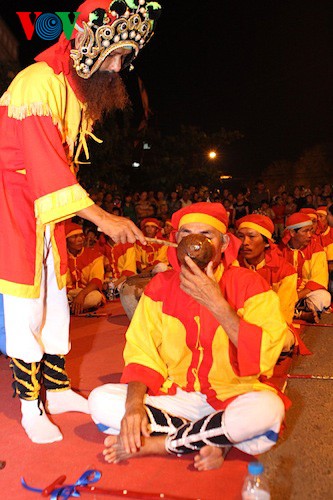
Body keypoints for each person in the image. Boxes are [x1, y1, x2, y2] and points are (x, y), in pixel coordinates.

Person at [0, 0, 161, 443]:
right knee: (25, 306)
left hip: (47, 207)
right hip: (15, 203)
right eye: (112, 56)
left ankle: (56, 387)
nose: (117, 68)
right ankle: (31, 405)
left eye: (124, 59)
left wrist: (99, 216)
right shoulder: (36, 82)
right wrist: (104, 220)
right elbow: (47, 169)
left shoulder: (73, 91)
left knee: (55, 299)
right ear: (86, 47)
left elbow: (58, 175)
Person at [88, 203, 289, 471]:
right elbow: (141, 351)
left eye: (206, 234)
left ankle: (160, 444)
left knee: (268, 410)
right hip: (177, 396)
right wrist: (134, 407)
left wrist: (217, 303)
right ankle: (217, 436)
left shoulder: (250, 285)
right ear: (175, 242)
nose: (196, 242)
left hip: (234, 394)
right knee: (101, 401)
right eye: (186, 234)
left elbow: (264, 356)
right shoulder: (160, 286)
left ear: (224, 243)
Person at [236, 214, 309, 352]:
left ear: (267, 242)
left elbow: (282, 316)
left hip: (271, 326)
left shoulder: (285, 271)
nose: (245, 242)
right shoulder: (231, 265)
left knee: (281, 341)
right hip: (236, 325)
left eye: (251, 236)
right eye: (240, 236)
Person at [279, 213, 331, 320]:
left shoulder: (316, 248)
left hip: (305, 293)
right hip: (285, 292)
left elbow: (319, 279)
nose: (309, 235)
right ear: (292, 233)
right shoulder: (279, 250)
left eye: (310, 230)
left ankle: (296, 309)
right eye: (305, 231)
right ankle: (299, 313)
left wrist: (296, 296)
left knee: (323, 298)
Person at [66, 221, 105, 315]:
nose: (80, 239)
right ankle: (73, 308)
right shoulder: (59, 258)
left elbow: (96, 281)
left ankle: (67, 309)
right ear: (66, 240)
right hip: (67, 294)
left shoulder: (95, 255)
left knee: (95, 297)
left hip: (87, 292)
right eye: (74, 237)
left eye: (81, 236)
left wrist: (81, 295)